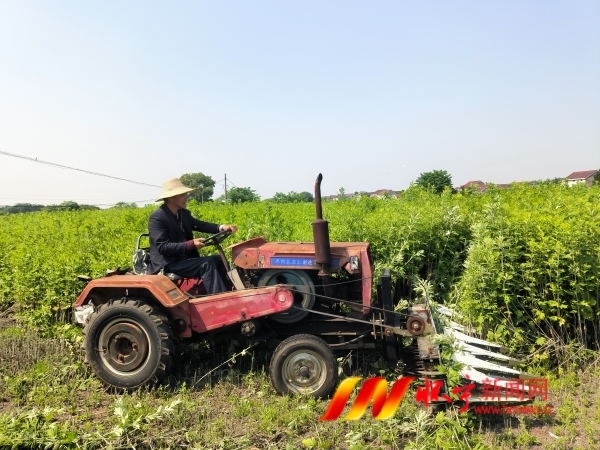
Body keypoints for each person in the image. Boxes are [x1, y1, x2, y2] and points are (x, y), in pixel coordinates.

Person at [148, 177, 238, 294]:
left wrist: (222, 227)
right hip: (168, 263)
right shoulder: (158, 217)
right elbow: (163, 247)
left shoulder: (183, 214)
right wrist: (191, 244)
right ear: (171, 198)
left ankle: (228, 293)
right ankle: (219, 299)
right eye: (182, 195)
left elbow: (201, 225)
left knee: (218, 259)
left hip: (183, 259)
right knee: (206, 263)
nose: (186, 197)